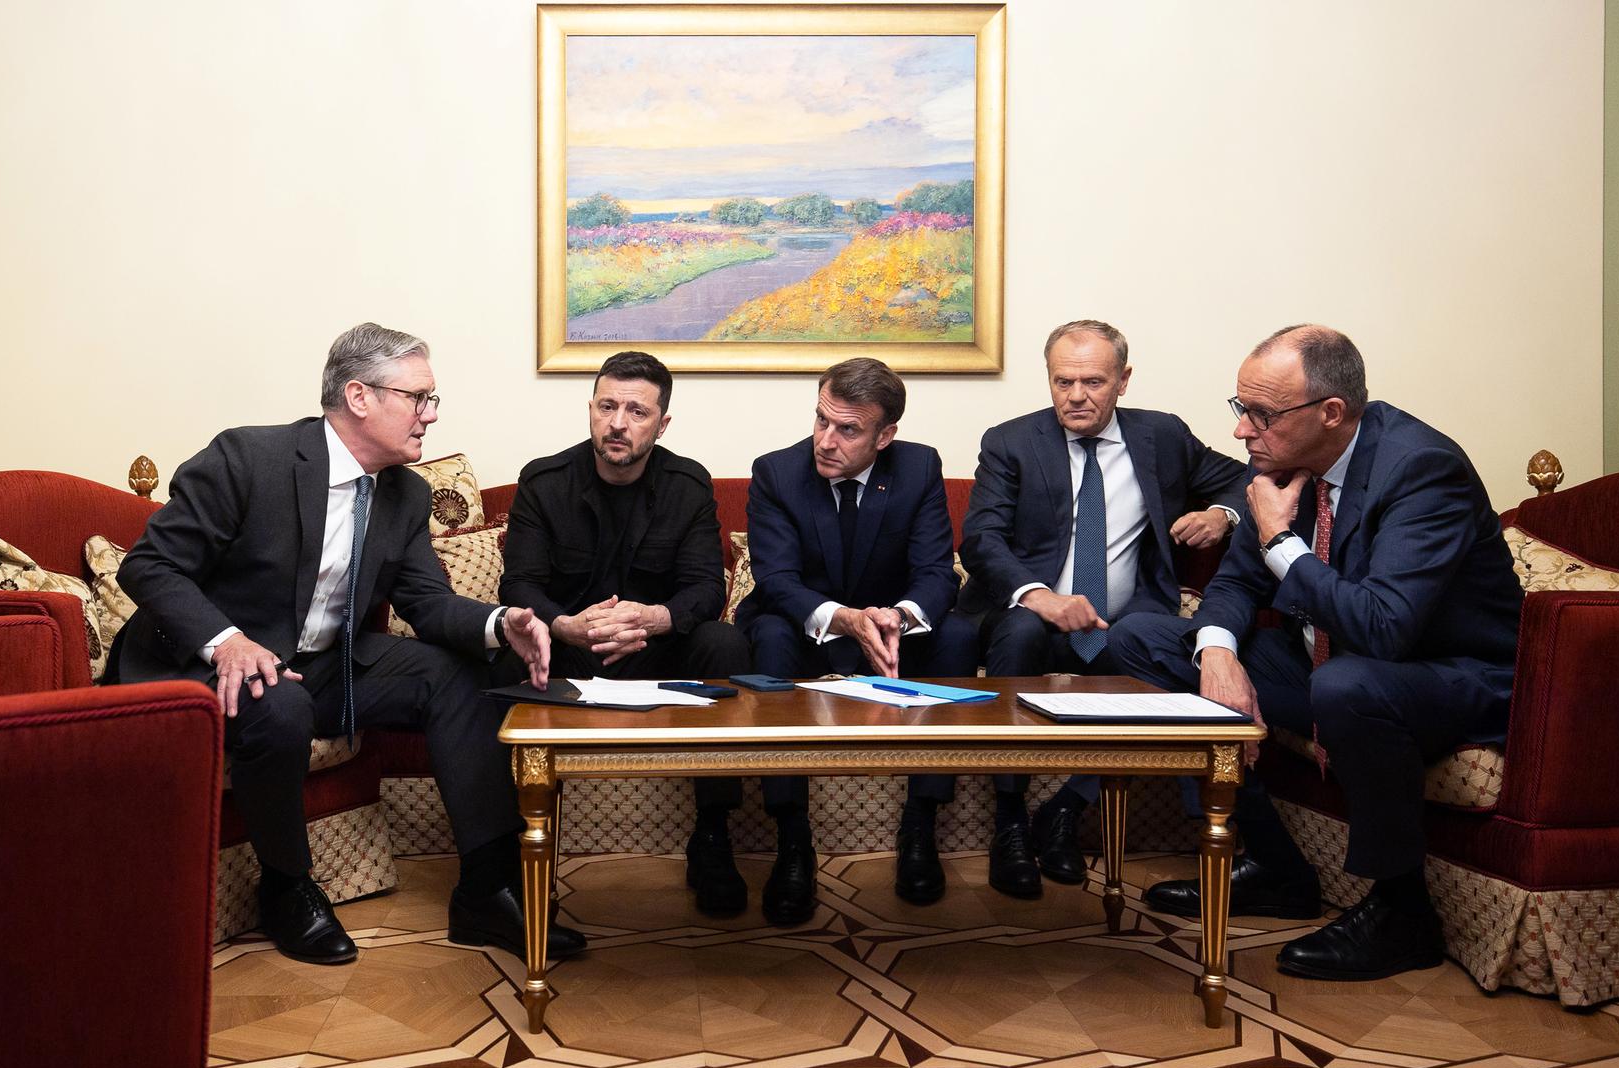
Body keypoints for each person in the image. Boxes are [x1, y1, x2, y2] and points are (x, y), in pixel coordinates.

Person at [110, 322, 584, 966]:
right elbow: (148, 565)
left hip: (325, 665)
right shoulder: (249, 459)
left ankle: (486, 888)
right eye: (419, 398)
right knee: (279, 704)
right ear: (359, 397)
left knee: (460, 672)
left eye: (432, 399)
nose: (432, 415)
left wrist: (502, 623)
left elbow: (427, 602)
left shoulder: (405, 494)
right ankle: (287, 887)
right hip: (203, 664)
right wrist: (226, 641)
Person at [1108, 323, 1522, 981]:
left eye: (1261, 415)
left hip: (1447, 677)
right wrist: (1217, 658)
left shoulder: (1421, 469)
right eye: (1240, 409)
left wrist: (1279, 540)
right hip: (1329, 664)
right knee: (1140, 636)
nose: (1244, 431)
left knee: (1349, 685)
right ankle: (1276, 865)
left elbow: (1386, 627)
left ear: (1331, 413)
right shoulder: (1283, 459)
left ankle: (1402, 912)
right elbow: (1239, 582)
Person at [941, 319, 1247, 899]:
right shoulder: (1011, 442)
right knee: (1020, 630)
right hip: (1028, 618)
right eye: (1062, 382)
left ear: (1123, 381)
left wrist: (1221, 516)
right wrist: (1040, 596)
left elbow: (1248, 478)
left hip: (1121, 623)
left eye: (1092, 382)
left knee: (1151, 646)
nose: (1076, 396)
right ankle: (1010, 822)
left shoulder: (1163, 437)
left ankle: (1061, 811)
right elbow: (981, 538)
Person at [494, 351, 753, 915]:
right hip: (567, 653)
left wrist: (651, 618)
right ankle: (511, 853)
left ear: (661, 426)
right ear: (590, 409)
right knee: (505, 656)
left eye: (637, 411)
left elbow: (707, 589)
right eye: (607, 406)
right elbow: (519, 584)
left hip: (656, 655)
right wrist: (566, 626)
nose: (618, 423)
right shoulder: (544, 481)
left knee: (723, 642)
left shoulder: (688, 484)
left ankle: (711, 837)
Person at [722, 357, 976, 923]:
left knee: (957, 634)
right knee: (766, 634)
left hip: (888, 631)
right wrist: (846, 619)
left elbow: (937, 572)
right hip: (807, 629)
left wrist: (897, 617)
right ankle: (793, 842)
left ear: (885, 436)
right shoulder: (777, 472)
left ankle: (920, 827)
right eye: (820, 420)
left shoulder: (918, 467)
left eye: (848, 429)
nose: (825, 441)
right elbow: (779, 580)